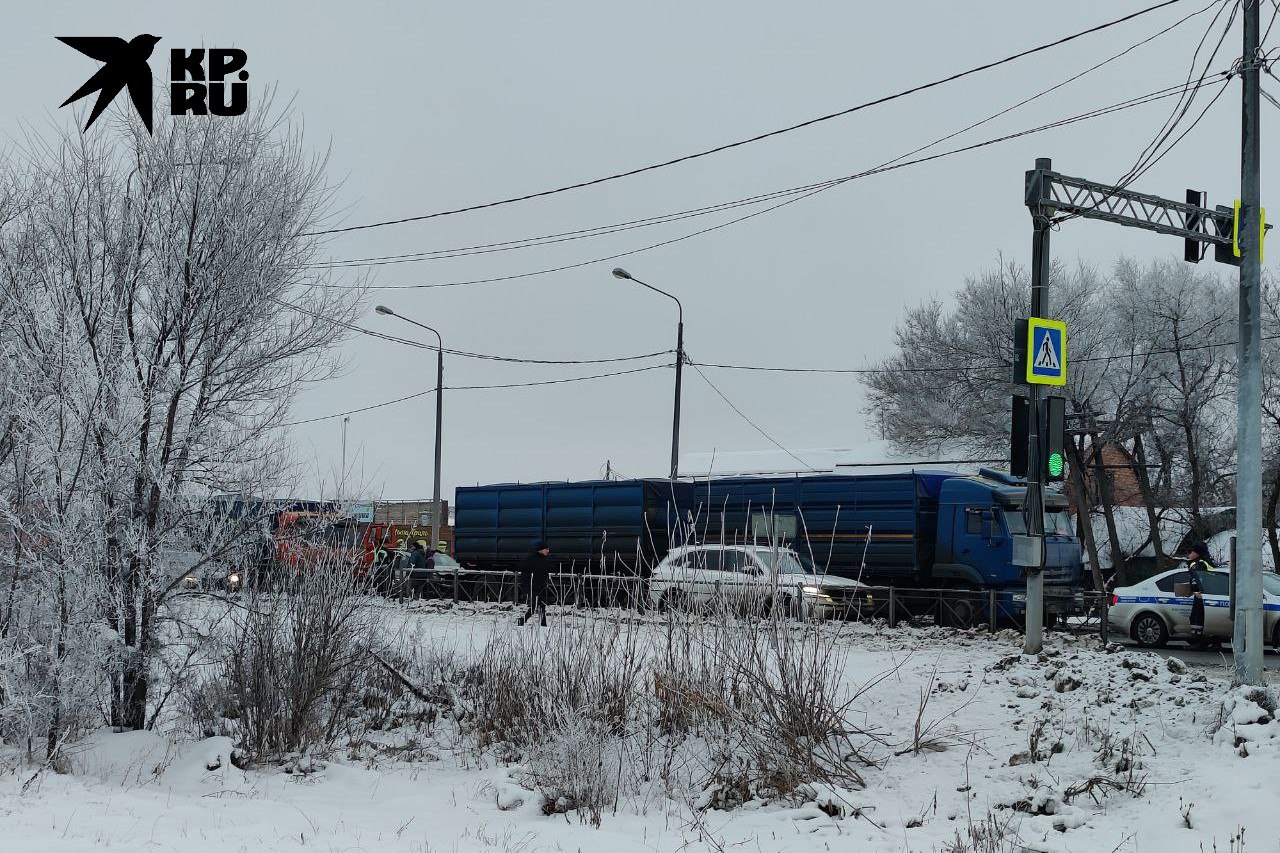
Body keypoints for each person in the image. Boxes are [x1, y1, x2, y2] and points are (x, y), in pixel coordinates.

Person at [1185, 541, 1216, 648]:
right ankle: (1203, 640)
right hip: (1204, 594)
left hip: (1201, 595)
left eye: (1191, 552)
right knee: (1198, 617)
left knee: (1197, 618)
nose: (1189, 554)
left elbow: (1197, 579)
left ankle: (1197, 640)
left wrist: (1194, 591)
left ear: (1197, 553)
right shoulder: (1200, 562)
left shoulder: (1201, 564)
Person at [517, 539, 552, 627]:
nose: (548, 551)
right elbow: (524, 571)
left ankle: (542, 623)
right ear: (540, 550)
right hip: (533, 586)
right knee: (535, 605)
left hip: (541, 586)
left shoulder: (544, 559)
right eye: (546, 549)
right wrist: (528, 586)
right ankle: (523, 620)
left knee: (541, 605)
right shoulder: (532, 559)